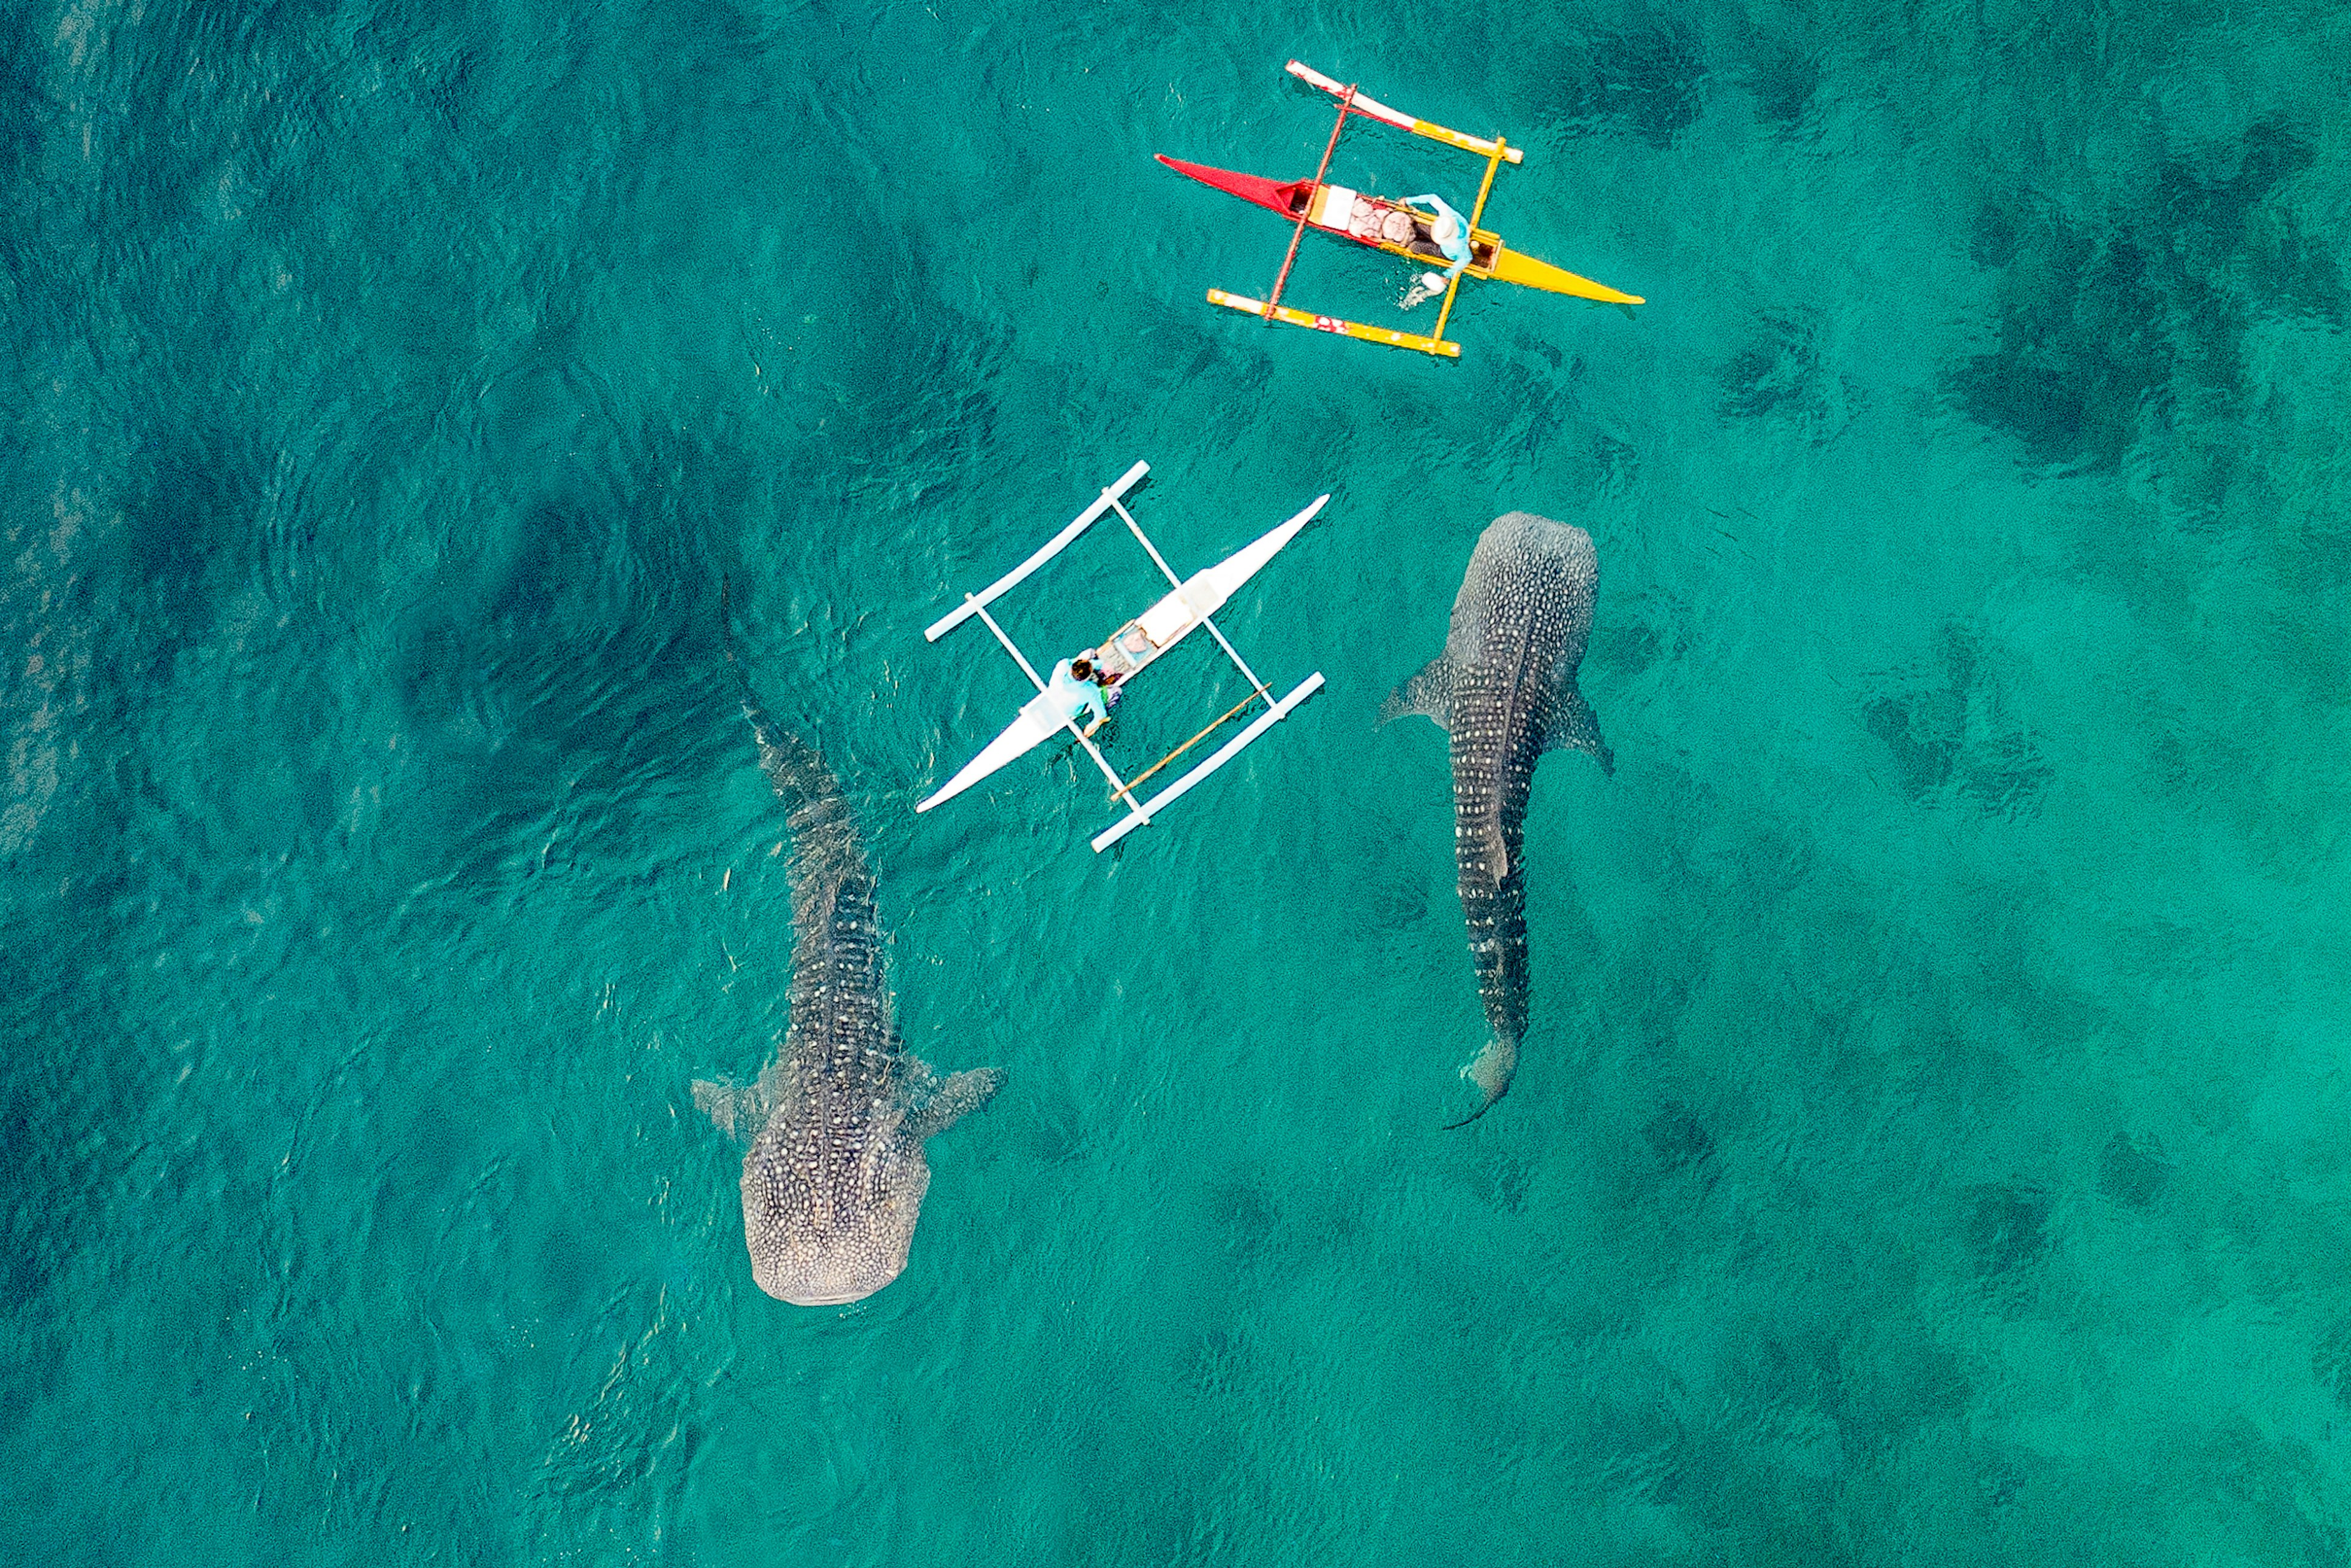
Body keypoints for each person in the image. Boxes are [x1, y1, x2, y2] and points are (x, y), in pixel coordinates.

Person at [1401, 192, 1471, 309]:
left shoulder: (1459, 245)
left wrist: (1447, 275)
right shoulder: (1449, 216)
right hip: (1443, 240)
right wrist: (1408, 201)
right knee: (1417, 225)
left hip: (1443, 252)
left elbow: (1467, 259)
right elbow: (1432, 198)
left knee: (1414, 247)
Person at [1047, 655, 1110, 735]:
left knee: (1089, 653)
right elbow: (1101, 715)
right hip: (1071, 713)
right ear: (1086, 679)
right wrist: (1090, 727)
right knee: (1114, 692)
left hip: (1052, 699)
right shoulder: (1090, 690)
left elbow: (1074, 663)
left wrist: (1099, 664)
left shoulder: (1063, 664)